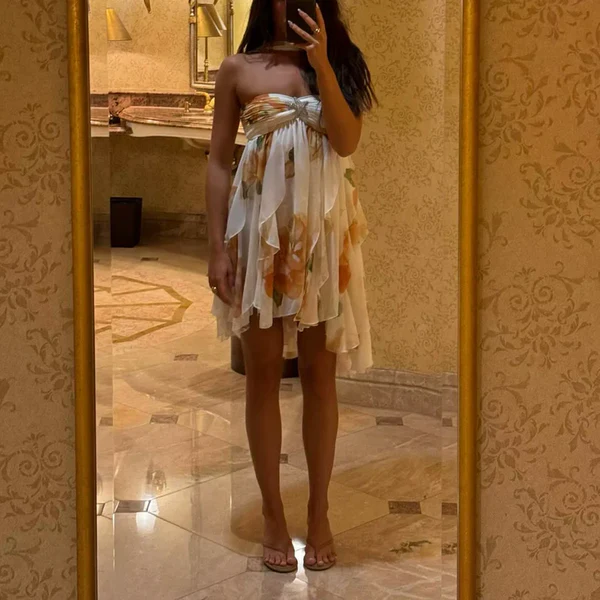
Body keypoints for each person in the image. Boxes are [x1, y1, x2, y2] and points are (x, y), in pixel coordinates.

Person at [206, 0, 376, 573]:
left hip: (321, 247)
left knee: (320, 375)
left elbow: (346, 141)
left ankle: (319, 510)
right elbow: (218, 164)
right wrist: (216, 248)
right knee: (261, 375)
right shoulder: (238, 69)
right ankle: (273, 513)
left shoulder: (339, 60)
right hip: (259, 243)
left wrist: (322, 63)